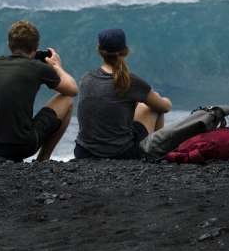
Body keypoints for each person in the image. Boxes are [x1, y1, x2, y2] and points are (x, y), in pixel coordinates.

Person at [0, 21, 78, 161]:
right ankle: (43, 159)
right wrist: (57, 66)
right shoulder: (37, 68)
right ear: (36, 48)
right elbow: (72, 90)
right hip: (21, 147)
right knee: (67, 100)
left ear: (9, 45)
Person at [74, 28, 172, 160]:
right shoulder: (131, 81)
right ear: (125, 50)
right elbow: (164, 107)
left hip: (83, 152)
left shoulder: (86, 78)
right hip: (121, 153)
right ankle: (157, 155)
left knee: (137, 106)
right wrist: (163, 99)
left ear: (99, 50)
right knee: (153, 107)